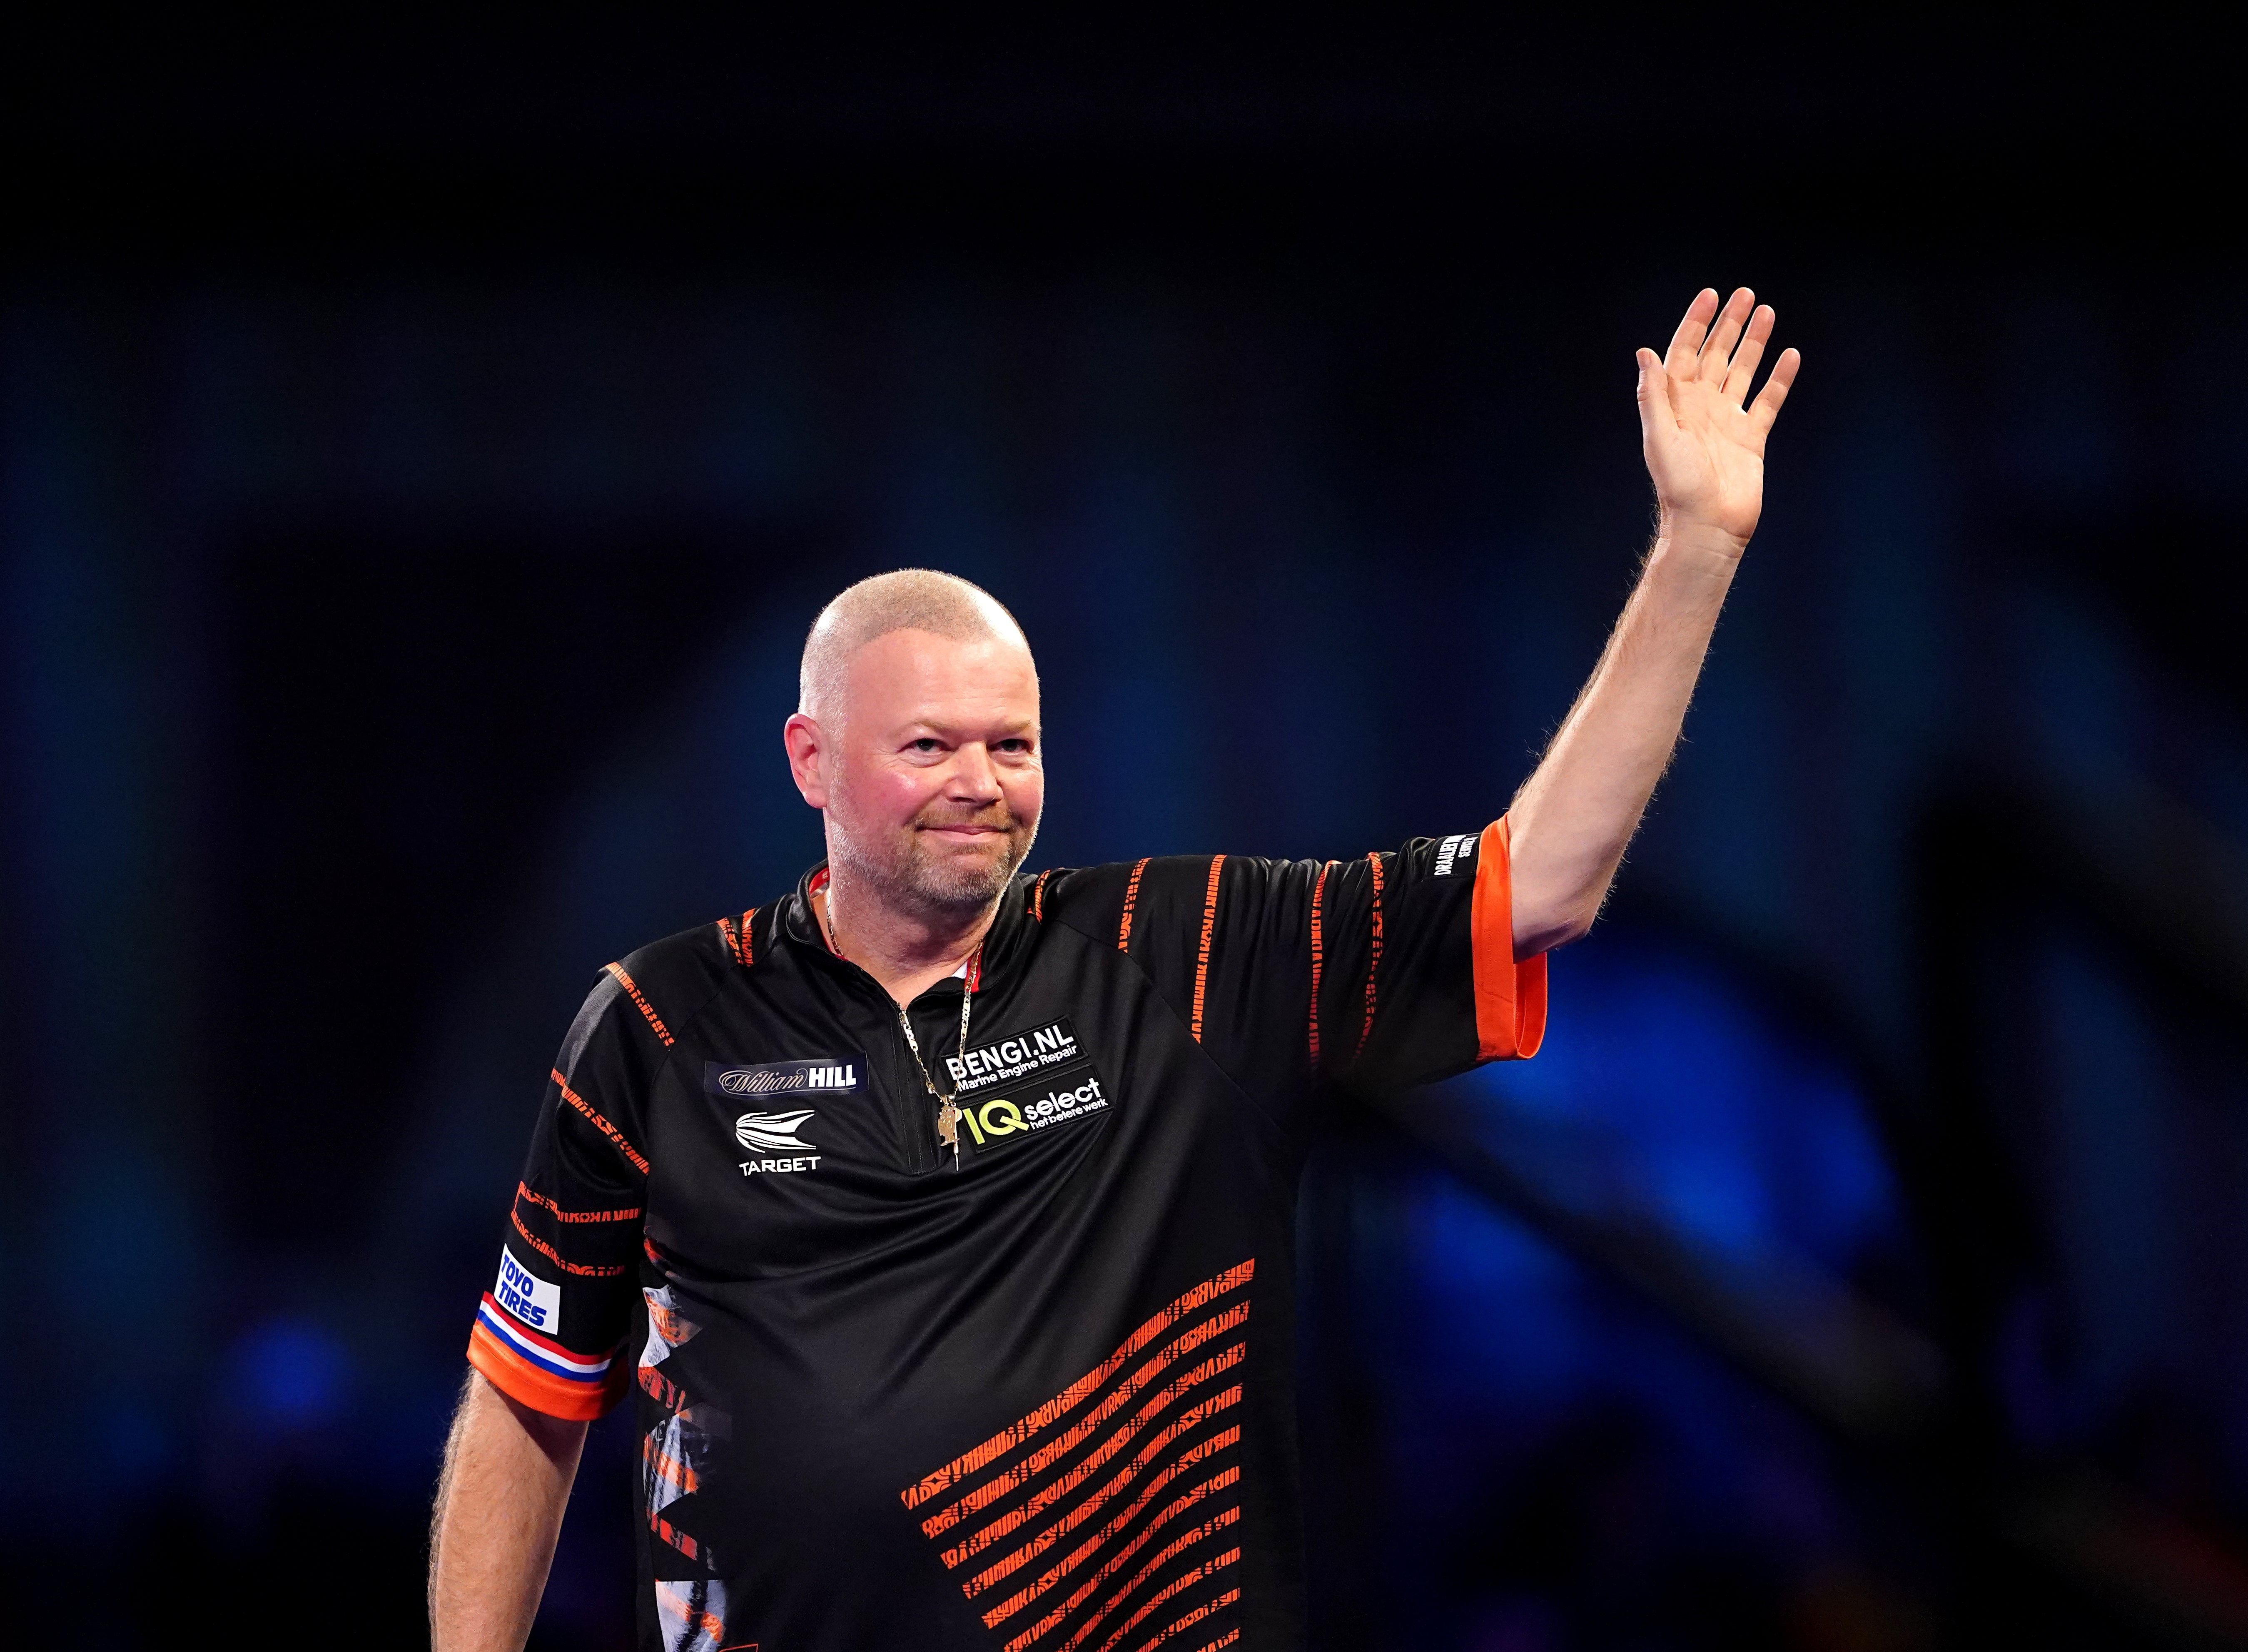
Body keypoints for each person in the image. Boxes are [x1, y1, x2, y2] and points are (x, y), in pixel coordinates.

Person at [429, 287, 1799, 1652]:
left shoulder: (1194, 957)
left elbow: (1541, 881)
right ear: (810, 761)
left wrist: (1693, 549)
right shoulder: (658, 1022)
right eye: (930, 748)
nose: (981, 784)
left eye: (1012, 746)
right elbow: (528, 1394)